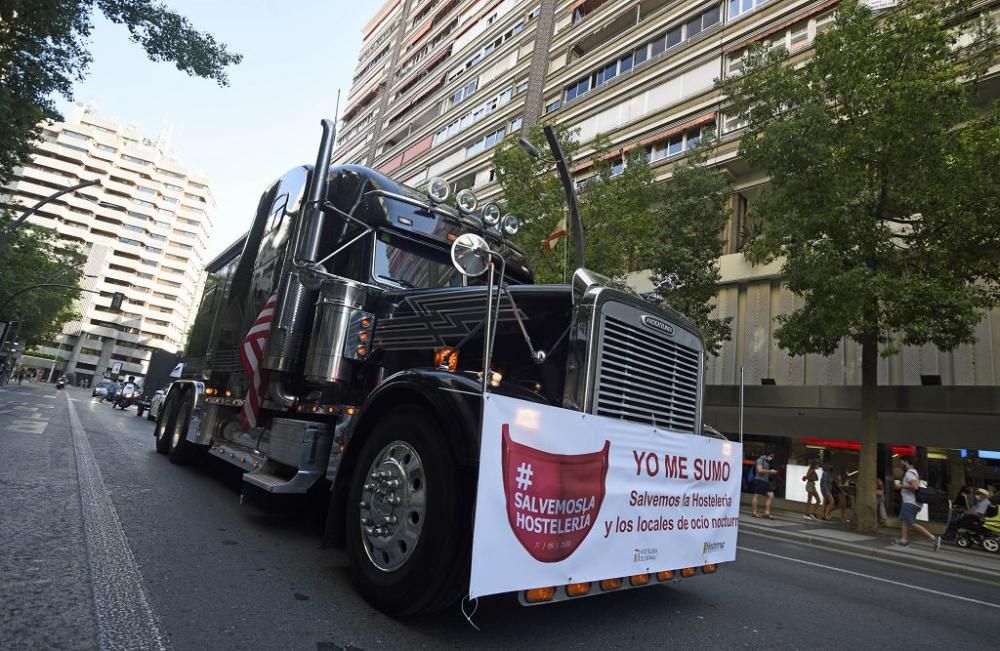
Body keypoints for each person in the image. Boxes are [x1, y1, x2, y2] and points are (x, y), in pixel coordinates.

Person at [892, 455, 941, 551]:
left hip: (910, 503)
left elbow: (915, 487)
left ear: (906, 462)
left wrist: (900, 486)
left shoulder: (909, 473)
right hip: (911, 502)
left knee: (911, 523)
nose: (901, 464)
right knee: (905, 521)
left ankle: (934, 538)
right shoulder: (914, 473)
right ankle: (904, 540)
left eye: (902, 462)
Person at [751, 452, 778, 519]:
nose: (771, 458)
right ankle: (754, 512)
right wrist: (770, 471)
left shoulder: (767, 461)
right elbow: (759, 470)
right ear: (766, 455)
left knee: (771, 495)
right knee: (757, 495)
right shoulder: (760, 460)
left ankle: (767, 513)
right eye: (771, 456)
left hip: (766, 480)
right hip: (759, 480)